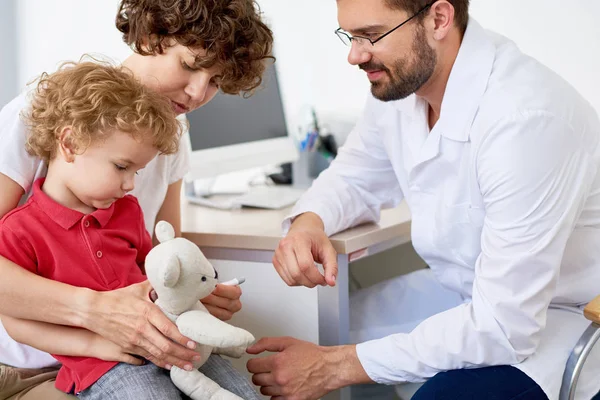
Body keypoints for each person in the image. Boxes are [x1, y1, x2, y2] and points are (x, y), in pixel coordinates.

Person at [246, 0, 600, 399]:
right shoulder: (402, 86)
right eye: (350, 35)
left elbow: (504, 327)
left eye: (371, 35)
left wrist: (334, 367)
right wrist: (309, 220)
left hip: (564, 319)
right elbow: (355, 174)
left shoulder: (524, 119)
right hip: (466, 295)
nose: (354, 55)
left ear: (438, 19)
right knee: (315, 327)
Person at [0, 0, 272, 399]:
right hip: (33, 367)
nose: (198, 92)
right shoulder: (41, 116)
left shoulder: (172, 140)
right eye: (190, 65)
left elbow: (162, 258)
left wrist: (193, 292)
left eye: (215, 81)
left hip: (138, 349)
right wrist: (99, 313)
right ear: (149, 37)